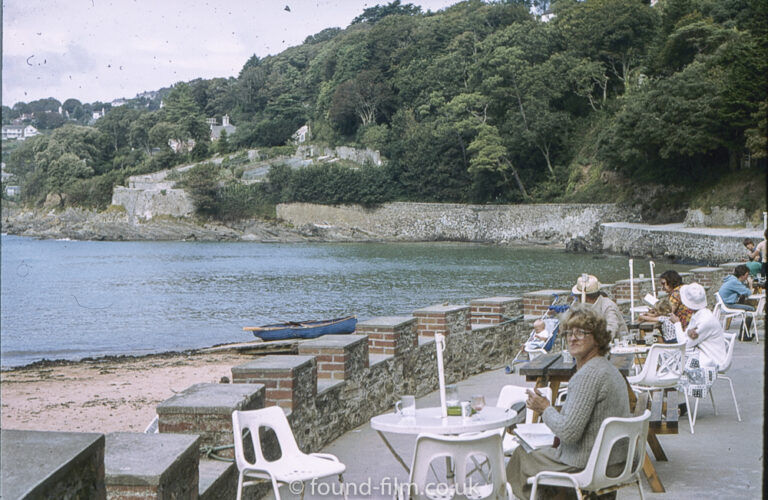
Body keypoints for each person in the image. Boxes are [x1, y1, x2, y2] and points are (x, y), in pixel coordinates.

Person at [506, 303, 630, 499]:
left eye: (581, 332)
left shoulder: (587, 376)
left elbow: (569, 433)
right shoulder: (608, 369)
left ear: (597, 338)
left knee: (521, 456)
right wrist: (553, 409)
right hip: (617, 461)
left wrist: (545, 409)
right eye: (569, 333)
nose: (573, 337)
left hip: (588, 463)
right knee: (542, 451)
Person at [670, 283, 727, 415]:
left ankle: (675, 405)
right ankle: (677, 403)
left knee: (674, 364)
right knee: (674, 360)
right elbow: (687, 338)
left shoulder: (705, 319)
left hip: (712, 359)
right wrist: (687, 331)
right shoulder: (700, 314)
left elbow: (684, 343)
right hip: (703, 353)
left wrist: (677, 323)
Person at [571, 274, 628, 339]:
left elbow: (611, 329)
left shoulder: (608, 306)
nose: (577, 298)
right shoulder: (577, 305)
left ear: (586, 298)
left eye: (579, 296)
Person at [718, 264, 755, 334]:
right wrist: (750, 284)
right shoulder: (735, 282)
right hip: (728, 304)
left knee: (746, 304)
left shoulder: (732, 279)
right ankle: (744, 335)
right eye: (747, 275)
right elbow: (748, 293)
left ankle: (745, 333)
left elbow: (742, 289)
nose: (748, 276)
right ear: (742, 276)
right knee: (752, 309)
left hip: (725, 302)